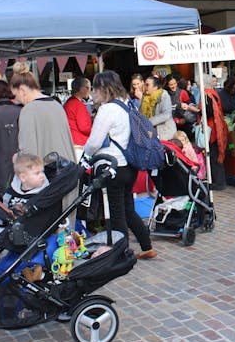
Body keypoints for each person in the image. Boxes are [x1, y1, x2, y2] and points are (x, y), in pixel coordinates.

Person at [83, 70, 156, 260]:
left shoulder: (107, 110)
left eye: (95, 88)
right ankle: (147, 246)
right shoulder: (127, 105)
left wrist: (85, 156)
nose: (93, 93)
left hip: (113, 166)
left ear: (103, 89)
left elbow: (94, 142)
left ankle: (122, 253)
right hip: (130, 166)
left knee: (117, 214)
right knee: (127, 209)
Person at [10, 62, 76, 208]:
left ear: (22, 89)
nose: (16, 100)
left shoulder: (28, 110)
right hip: (68, 176)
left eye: (15, 95)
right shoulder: (56, 104)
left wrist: (17, 159)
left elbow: (28, 154)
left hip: (47, 183)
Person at [64, 77, 93, 158]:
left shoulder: (69, 102)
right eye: (88, 88)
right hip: (80, 143)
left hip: (72, 142)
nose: (89, 90)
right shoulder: (78, 105)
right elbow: (84, 127)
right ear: (81, 89)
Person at [140, 75, 177, 141]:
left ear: (155, 87)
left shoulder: (163, 95)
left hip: (165, 135)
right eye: (144, 84)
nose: (145, 87)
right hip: (149, 135)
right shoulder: (144, 98)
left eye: (147, 85)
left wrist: (148, 121)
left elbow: (166, 115)